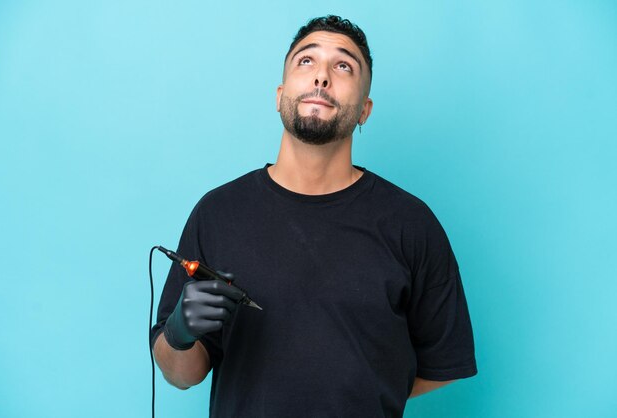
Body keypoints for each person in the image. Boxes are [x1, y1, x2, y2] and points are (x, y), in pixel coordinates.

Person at [150, 15, 477, 418]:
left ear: (365, 110)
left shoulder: (411, 224)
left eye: (343, 66)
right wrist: (179, 334)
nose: (321, 77)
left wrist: (367, 386)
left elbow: (445, 363)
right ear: (280, 94)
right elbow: (182, 375)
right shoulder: (217, 213)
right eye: (306, 62)